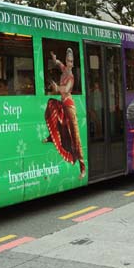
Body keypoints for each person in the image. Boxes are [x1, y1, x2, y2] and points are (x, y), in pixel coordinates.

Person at [43, 47, 85, 177]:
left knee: (75, 135)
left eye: (71, 61)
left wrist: (57, 87)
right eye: (68, 60)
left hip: (69, 106)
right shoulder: (65, 70)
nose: (69, 63)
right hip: (63, 104)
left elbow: (66, 90)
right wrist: (55, 59)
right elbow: (59, 64)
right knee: (51, 105)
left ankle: (82, 166)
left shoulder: (71, 77)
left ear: (74, 63)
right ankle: (53, 136)